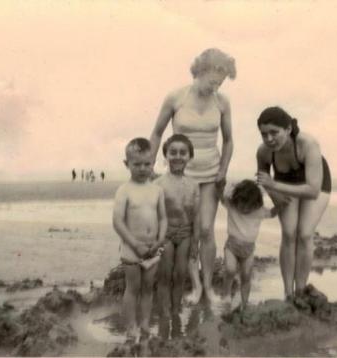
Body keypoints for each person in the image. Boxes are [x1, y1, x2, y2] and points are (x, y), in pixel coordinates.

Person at [150, 48, 236, 303]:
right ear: (199, 71)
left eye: (220, 83)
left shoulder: (222, 102)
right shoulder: (176, 98)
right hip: (179, 176)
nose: (215, 87)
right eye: (212, 81)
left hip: (210, 175)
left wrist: (223, 170)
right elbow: (156, 133)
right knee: (187, 232)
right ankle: (195, 285)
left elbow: (229, 141)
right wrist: (150, 165)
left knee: (206, 229)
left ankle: (208, 286)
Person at [255, 106, 332, 301]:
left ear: (288, 129)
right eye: (264, 134)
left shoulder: (308, 144)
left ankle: (301, 290)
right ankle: (288, 293)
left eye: (274, 132)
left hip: (315, 183)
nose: (269, 139)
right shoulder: (264, 152)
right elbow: (264, 181)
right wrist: (274, 195)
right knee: (289, 233)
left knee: (305, 234)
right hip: (284, 183)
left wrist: (274, 185)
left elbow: (312, 191)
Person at [112, 138, 168, 342]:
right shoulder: (124, 190)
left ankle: (144, 323)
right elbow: (117, 221)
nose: (143, 168)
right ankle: (130, 327)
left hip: (153, 249)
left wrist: (160, 239)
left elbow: (162, 217)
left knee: (147, 288)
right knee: (133, 288)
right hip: (132, 249)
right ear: (127, 164)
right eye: (137, 164)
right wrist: (135, 244)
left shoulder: (157, 190)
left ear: (153, 163)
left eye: (147, 164)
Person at [154, 134, 200, 338]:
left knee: (181, 273)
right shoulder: (158, 183)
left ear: (190, 156)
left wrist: (196, 242)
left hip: (186, 234)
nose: (178, 156)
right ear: (166, 155)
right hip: (165, 234)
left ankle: (175, 310)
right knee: (164, 274)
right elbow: (153, 214)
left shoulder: (193, 184)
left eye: (183, 153)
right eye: (173, 152)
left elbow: (196, 217)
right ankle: (164, 313)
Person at [219, 180, 278, 313]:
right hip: (231, 247)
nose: (244, 209)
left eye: (248, 206)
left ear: (256, 204)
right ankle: (226, 294)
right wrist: (220, 184)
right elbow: (220, 195)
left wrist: (280, 201)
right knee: (230, 269)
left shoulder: (259, 211)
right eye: (242, 204)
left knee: (246, 275)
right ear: (236, 200)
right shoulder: (232, 205)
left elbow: (273, 213)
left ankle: (245, 303)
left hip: (249, 250)